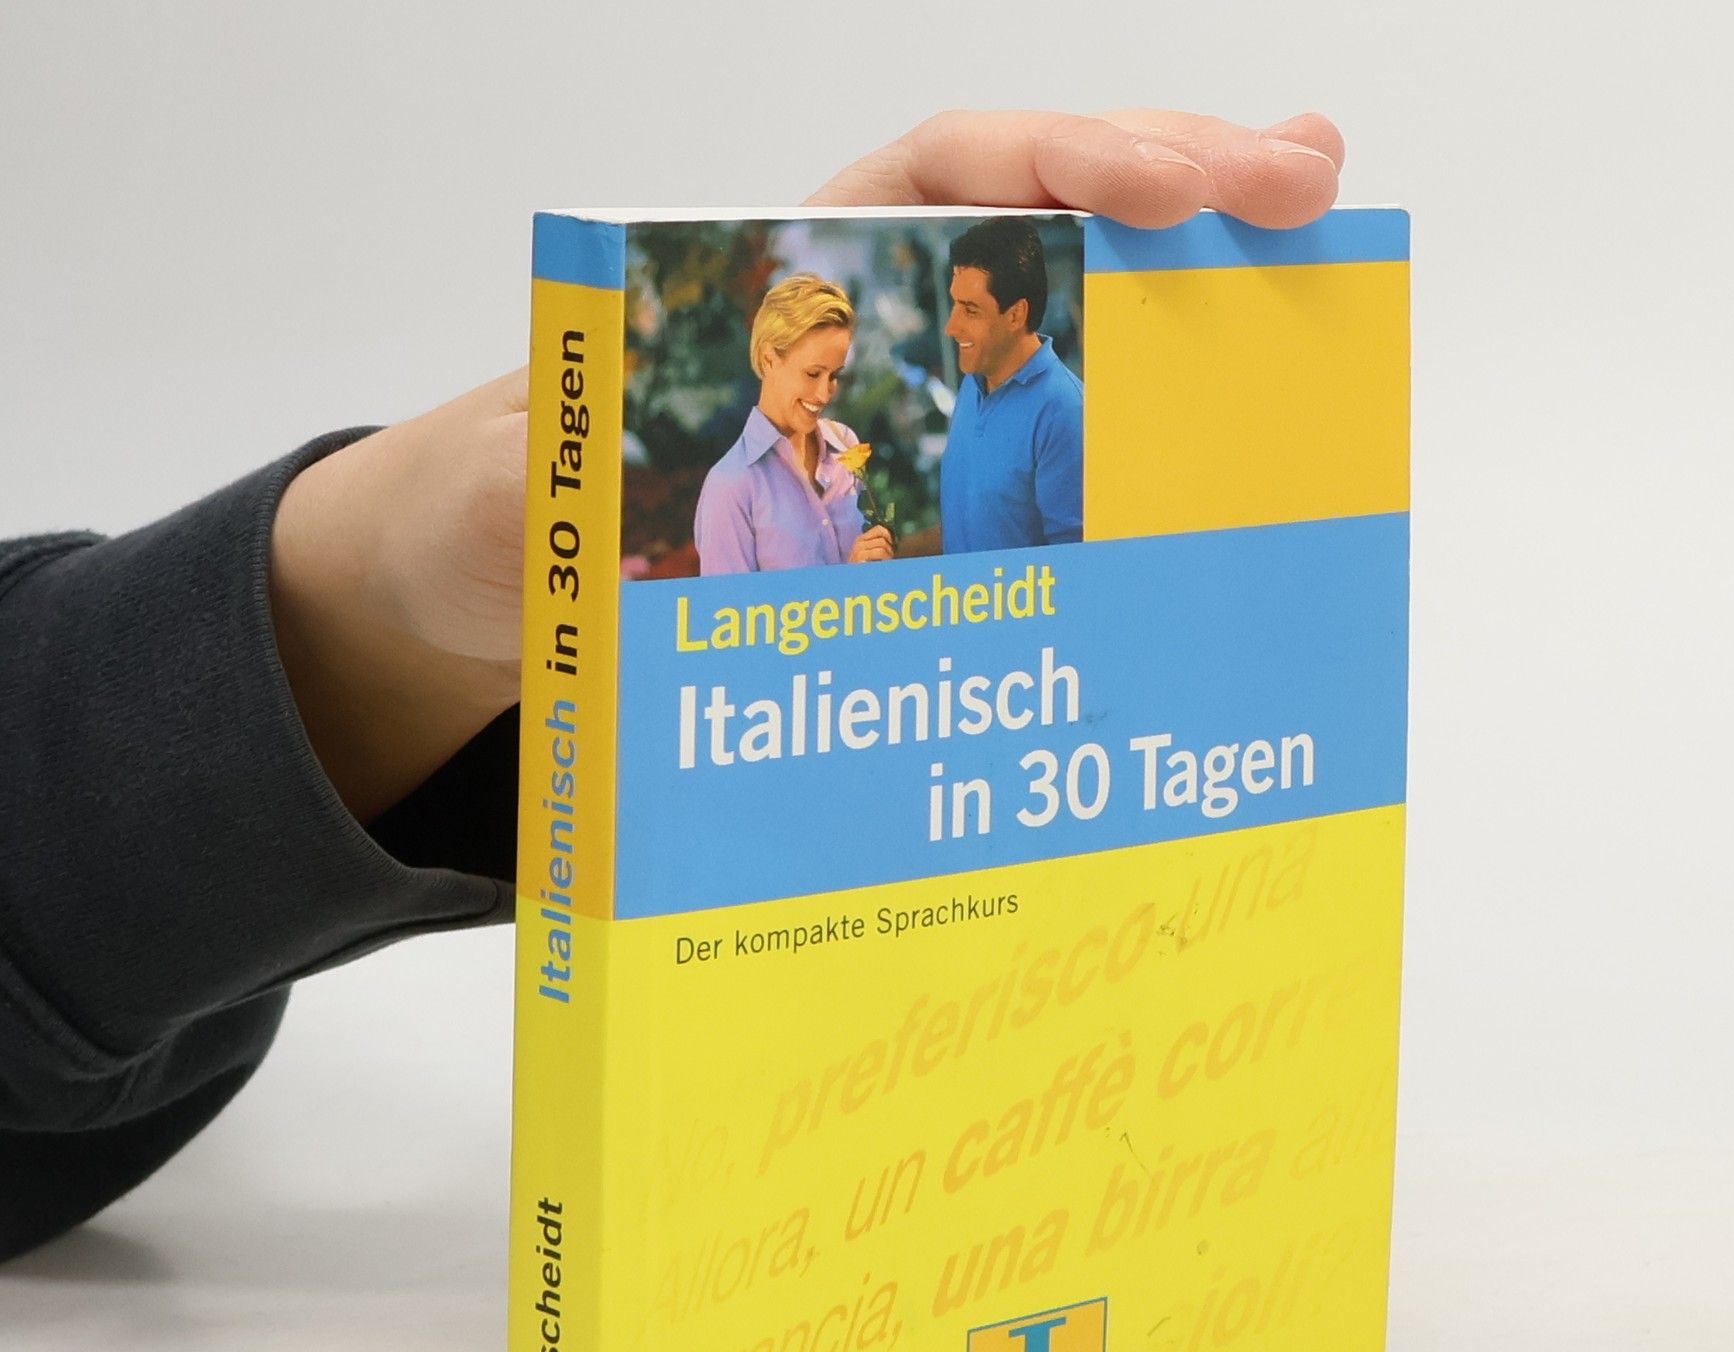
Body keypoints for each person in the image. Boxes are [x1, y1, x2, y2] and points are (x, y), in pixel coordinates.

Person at [0, 109, 1344, 1264]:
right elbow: (748, 629)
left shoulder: (935, 440)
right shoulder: (738, 486)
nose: (839, 387)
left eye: (845, 370)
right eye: (816, 373)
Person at [693, 273, 894, 575]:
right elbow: (729, 607)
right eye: (813, 374)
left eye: (835, 375)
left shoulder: (845, 445)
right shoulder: (729, 488)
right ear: (768, 359)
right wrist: (847, 583)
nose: (825, 393)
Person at [938, 215, 1085, 553]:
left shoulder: (1064, 410)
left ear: (1016, 314)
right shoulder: (972, 384)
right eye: (955, 304)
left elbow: (1074, 562)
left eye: (970, 310)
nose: (951, 327)